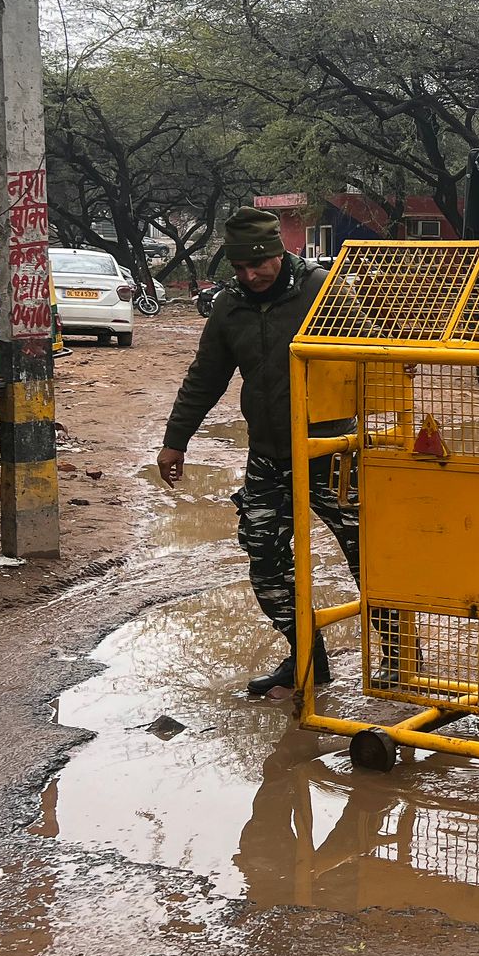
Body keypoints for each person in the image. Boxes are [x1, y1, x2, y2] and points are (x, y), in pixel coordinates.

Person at [156, 206, 360, 697]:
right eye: (240, 268)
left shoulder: (325, 290)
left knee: (372, 557)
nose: (251, 275)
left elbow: (374, 353)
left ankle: (400, 663)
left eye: (259, 264)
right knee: (265, 559)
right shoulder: (230, 306)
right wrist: (174, 439)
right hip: (270, 455)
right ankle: (307, 659)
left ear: (279, 252)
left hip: (333, 453)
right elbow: (205, 377)